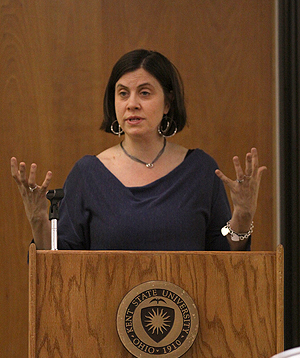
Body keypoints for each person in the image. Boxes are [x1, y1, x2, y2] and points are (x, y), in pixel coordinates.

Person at [11, 49, 266, 252]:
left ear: (167, 103)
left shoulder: (200, 171)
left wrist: (242, 215)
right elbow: (57, 269)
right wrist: (37, 220)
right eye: (123, 94)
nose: (132, 104)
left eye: (144, 93)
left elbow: (225, 260)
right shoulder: (88, 174)